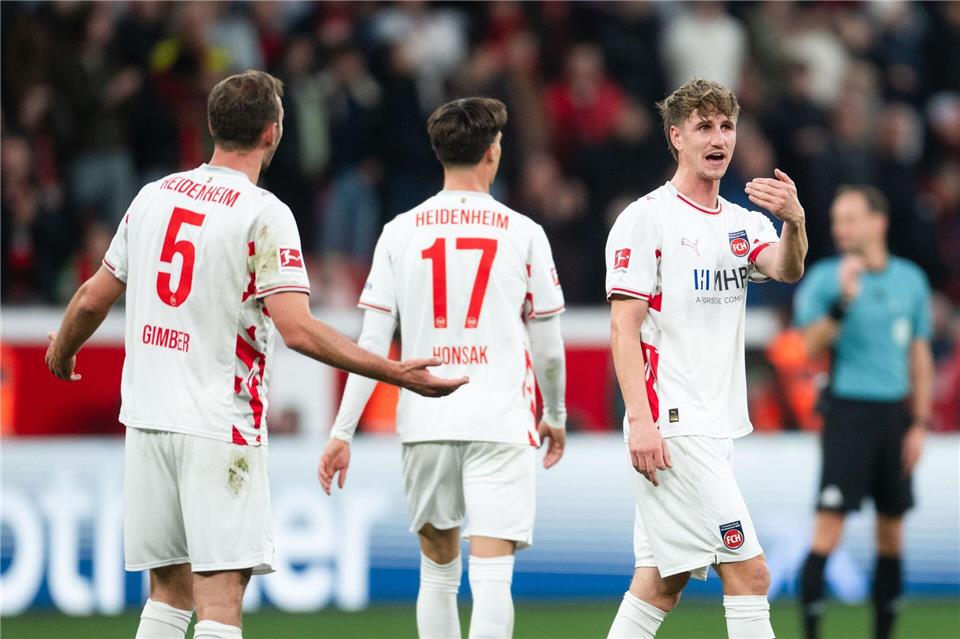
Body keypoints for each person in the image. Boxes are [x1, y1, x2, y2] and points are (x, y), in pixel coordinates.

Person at [44, 70, 466, 639]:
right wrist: (393, 372)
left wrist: (62, 349)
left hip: (147, 420)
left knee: (168, 593)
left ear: (213, 126)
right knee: (221, 597)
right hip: (220, 425)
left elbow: (95, 296)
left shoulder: (153, 197)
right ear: (273, 132)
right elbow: (296, 329)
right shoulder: (264, 213)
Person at [318, 97, 568, 639]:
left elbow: (372, 344)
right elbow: (547, 344)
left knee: (437, 572)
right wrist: (556, 413)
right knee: (494, 576)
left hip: (427, 422)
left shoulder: (399, 231)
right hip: (500, 421)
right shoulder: (522, 232)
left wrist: (342, 431)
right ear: (493, 153)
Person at [604, 78, 808, 639]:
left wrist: (796, 221)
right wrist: (641, 421)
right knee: (751, 573)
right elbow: (623, 330)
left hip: (712, 426)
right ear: (676, 137)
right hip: (671, 425)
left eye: (726, 127)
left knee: (658, 584)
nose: (718, 139)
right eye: (704, 127)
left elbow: (787, 268)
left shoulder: (744, 224)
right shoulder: (647, 219)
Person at [795, 186, 934, 639]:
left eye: (849, 218)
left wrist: (919, 423)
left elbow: (919, 354)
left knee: (891, 535)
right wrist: (844, 299)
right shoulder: (825, 278)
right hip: (848, 414)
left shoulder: (909, 280)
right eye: (836, 220)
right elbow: (808, 347)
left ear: (878, 223)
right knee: (828, 530)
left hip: (894, 416)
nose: (840, 229)